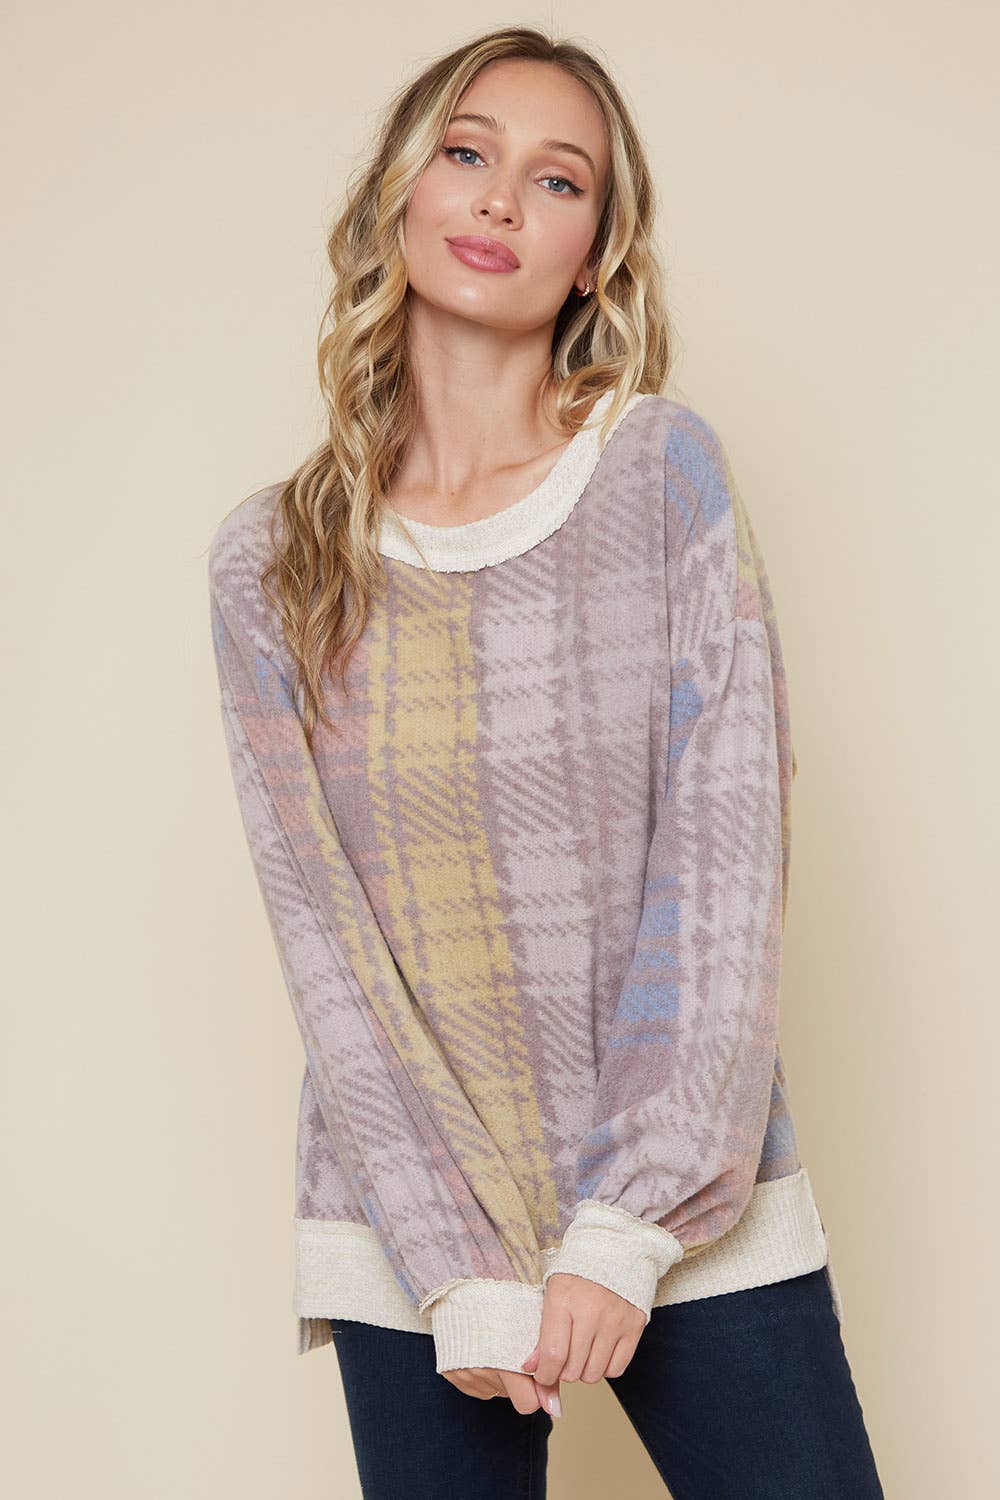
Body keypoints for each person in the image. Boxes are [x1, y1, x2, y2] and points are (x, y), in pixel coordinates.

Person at [208, 24, 885, 1499]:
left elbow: (723, 868)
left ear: (595, 256)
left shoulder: (661, 475)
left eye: (557, 179)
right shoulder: (272, 563)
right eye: (467, 152)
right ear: (400, 192)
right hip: (411, 1238)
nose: (501, 198)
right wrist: (457, 1266)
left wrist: (623, 1231)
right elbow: (325, 944)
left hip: (682, 1209)